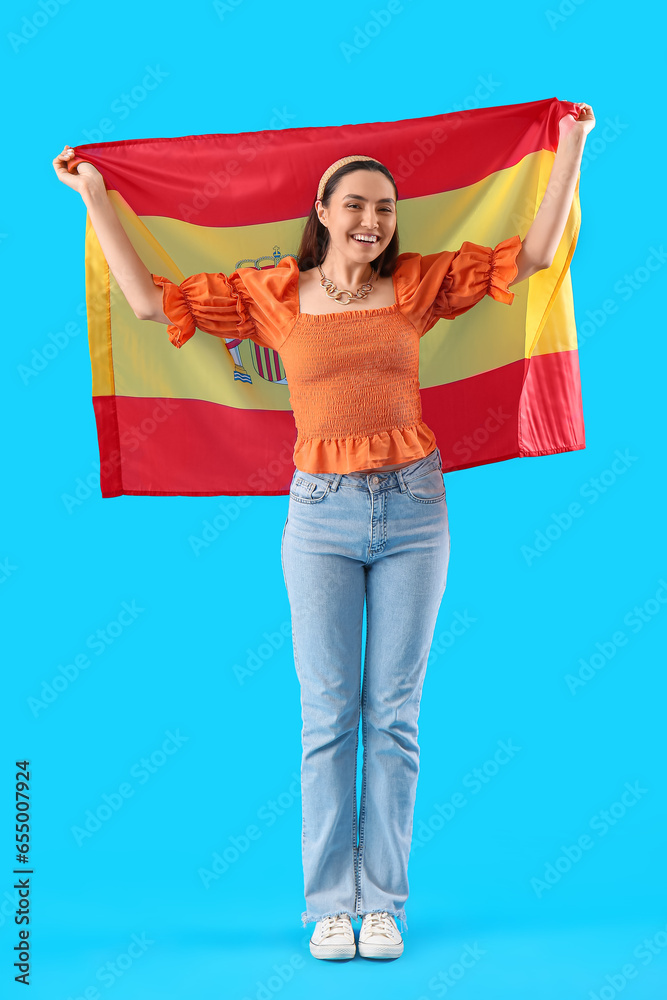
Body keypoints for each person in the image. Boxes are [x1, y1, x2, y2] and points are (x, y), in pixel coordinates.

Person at [52, 102, 594, 962]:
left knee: (395, 716)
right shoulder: (272, 295)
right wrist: (96, 196)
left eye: (384, 207)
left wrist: (571, 143)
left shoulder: (413, 284)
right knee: (328, 715)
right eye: (356, 204)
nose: (372, 220)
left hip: (415, 509)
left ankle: (383, 902)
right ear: (322, 212)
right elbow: (150, 305)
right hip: (319, 516)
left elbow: (528, 256)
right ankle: (326, 907)